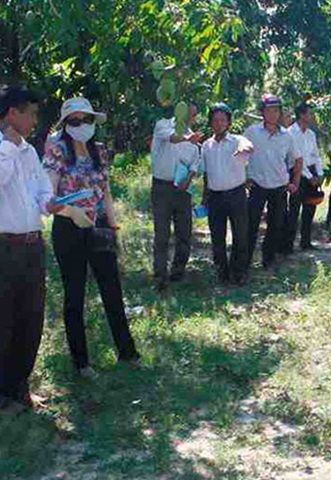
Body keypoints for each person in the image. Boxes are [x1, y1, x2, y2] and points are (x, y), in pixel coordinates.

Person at [44, 97, 139, 379]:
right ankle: (81, 363)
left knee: (112, 290)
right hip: (69, 228)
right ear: (65, 125)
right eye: (75, 121)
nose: (81, 125)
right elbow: (48, 199)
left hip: (98, 227)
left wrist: (112, 223)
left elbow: (105, 191)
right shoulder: (56, 150)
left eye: (86, 120)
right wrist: (72, 213)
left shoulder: (99, 151)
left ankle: (127, 352)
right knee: (74, 294)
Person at [0, 85, 62, 415]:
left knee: (31, 317)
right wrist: (8, 147)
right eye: (31, 113)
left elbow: (39, 188)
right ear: (13, 114)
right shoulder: (6, 150)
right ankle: (1, 395)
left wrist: (48, 202)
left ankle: (19, 387)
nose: (35, 120)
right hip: (4, 248)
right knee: (4, 319)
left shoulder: (30, 151)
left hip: (32, 246)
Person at [243, 94, 303, 269]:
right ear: (262, 112)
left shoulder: (287, 136)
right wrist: (244, 178)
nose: (273, 114)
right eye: (269, 110)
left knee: (275, 226)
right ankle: (244, 263)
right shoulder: (252, 132)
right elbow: (239, 155)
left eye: (276, 110)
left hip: (279, 187)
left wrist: (295, 183)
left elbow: (298, 159)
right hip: (257, 186)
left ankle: (268, 260)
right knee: (251, 226)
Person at [150, 103, 202, 291]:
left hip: (182, 191)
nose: (190, 118)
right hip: (162, 187)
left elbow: (194, 164)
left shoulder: (194, 141)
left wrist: (188, 179)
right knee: (162, 233)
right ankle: (160, 274)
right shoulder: (164, 125)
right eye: (188, 113)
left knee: (184, 232)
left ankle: (178, 272)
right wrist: (188, 138)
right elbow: (172, 139)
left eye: (194, 115)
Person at [201, 103, 254, 285]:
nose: (219, 123)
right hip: (215, 197)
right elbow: (206, 174)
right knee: (217, 237)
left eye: (223, 120)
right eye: (215, 120)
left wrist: (245, 148)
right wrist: (204, 198)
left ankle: (239, 272)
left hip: (236, 194)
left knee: (240, 235)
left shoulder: (237, 140)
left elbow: (248, 145)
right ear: (211, 123)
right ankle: (221, 273)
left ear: (228, 122)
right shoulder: (206, 146)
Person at [286, 102, 324, 251]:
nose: (312, 116)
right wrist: (308, 176)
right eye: (309, 113)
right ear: (301, 115)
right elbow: (296, 158)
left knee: (310, 208)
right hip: (296, 174)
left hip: (311, 173)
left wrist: (319, 174)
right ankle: (288, 244)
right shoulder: (291, 133)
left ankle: (306, 242)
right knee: (294, 210)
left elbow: (315, 155)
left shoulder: (311, 134)